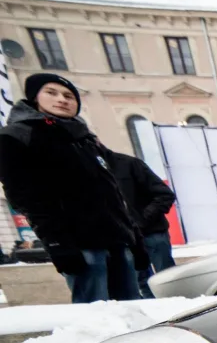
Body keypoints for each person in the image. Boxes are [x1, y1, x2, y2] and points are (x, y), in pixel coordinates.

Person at [0, 73, 140, 303]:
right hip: (78, 242)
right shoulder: (19, 135)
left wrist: (134, 239)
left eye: (68, 95)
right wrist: (57, 243)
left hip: (116, 239)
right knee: (96, 313)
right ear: (34, 98)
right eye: (51, 93)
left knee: (134, 307)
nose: (62, 100)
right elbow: (23, 195)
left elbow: (113, 193)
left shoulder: (85, 138)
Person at [107, 150, 177, 298]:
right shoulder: (94, 170)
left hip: (152, 233)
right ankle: (155, 316)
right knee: (143, 282)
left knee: (167, 280)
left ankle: (176, 311)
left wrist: (142, 220)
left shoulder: (128, 164)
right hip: (128, 238)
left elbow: (164, 194)